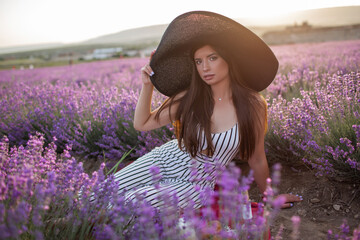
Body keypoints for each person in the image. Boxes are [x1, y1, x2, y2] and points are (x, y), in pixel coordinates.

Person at [113, 11, 301, 215]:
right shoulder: (189, 96)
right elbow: (142, 123)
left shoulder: (253, 104)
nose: (205, 68)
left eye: (212, 58)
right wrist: (147, 85)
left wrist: (269, 196)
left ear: (229, 59)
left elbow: (256, 158)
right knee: (97, 195)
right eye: (199, 61)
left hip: (196, 183)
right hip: (164, 160)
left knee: (129, 202)